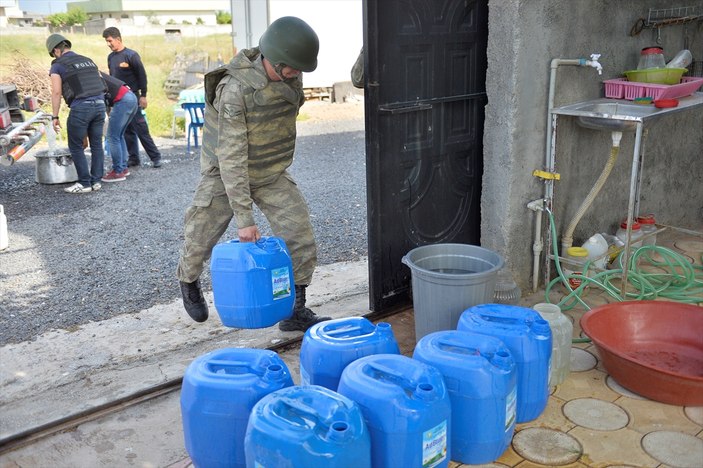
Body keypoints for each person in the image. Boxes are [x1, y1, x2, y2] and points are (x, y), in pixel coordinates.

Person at [176, 16, 330, 332]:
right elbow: (231, 157)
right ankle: (188, 279)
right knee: (200, 231)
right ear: (274, 59)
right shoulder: (234, 90)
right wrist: (245, 221)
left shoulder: (289, 76)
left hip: (270, 172)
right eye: (292, 68)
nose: (297, 74)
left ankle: (294, 309)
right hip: (226, 171)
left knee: (299, 236)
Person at [46, 33, 107, 193]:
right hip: (100, 105)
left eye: (53, 53)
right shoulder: (88, 60)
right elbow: (101, 83)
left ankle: (84, 183)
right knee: (96, 145)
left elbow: (57, 92)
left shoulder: (57, 65)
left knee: (75, 146)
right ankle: (96, 181)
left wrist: (55, 116)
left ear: (56, 50)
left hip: (81, 107)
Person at [102, 27, 162, 168]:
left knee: (141, 128)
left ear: (118, 39)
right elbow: (111, 80)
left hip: (133, 97)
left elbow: (142, 75)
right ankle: (134, 158)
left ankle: (156, 157)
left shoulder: (131, 55)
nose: (108, 44)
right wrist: (110, 103)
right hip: (118, 99)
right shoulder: (111, 57)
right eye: (106, 41)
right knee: (126, 130)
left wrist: (144, 95)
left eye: (110, 41)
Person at [101, 72, 138, 182]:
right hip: (131, 97)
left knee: (112, 137)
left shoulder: (92, 78)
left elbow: (101, 101)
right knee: (119, 135)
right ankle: (123, 168)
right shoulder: (98, 75)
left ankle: (117, 171)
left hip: (123, 100)